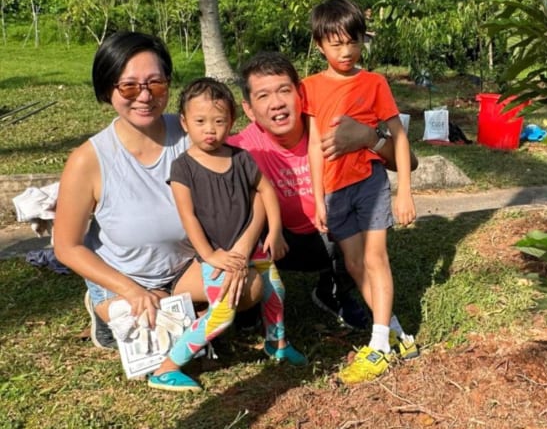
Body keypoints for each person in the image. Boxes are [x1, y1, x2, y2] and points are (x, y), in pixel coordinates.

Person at [53, 31, 264, 393]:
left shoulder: (192, 130)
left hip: (184, 267)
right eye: (129, 87)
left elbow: (246, 179)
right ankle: (105, 312)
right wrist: (130, 290)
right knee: (164, 322)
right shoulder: (87, 161)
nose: (145, 96)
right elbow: (67, 246)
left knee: (249, 288)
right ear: (108, 89)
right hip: (123, 278)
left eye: (155, 82)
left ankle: (190, 314)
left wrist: (239, 252)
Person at [229, 51, 420, 373]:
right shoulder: (241, 147)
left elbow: (409, 163)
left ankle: (336, 292)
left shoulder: (328, 125)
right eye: (263, 96)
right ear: (248, 109)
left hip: (330, 234)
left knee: (356, 230)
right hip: (279, 241)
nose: (277, 103)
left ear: (301, 94)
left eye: (284, 90)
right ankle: (249, 303)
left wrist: (369, 138)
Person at [152, 78, 306, 389]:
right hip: (219, 255)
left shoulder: (240, 158)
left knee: (275, 291)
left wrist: (275, 231)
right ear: (184, 122)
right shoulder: (183, 168)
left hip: (256, 250)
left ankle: (276, 344)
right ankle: (166, 368)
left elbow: (266, 191)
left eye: (219, 121)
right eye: (200, 121)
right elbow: (188, 216)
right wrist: (209, 255)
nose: (210, 129)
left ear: (231, 122)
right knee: (222, 314)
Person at [303, 0, 417, 384]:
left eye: (352, 42)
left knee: (375, 258)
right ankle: (398, 333)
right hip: (334, 191)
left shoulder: (375, 83)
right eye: (336, 44)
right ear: (319, 45)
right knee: (353, 264)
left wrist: (404, 191)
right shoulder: (310, 87)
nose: (346, 51)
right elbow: (314, 147)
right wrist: (317, 198)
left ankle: (380, 346)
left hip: (369, 182)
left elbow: (399, 137)